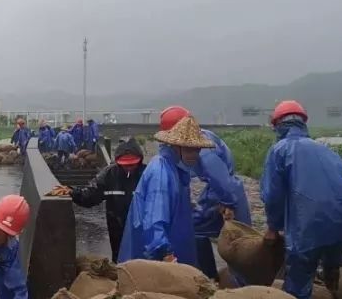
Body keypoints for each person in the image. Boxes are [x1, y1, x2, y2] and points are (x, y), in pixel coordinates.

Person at [260, 100, 342, 299]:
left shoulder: (280, 150)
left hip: (309, 224)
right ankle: (332, 285)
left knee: (298, 282)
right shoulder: (327, 151)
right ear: (303, 123)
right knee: (331, 258)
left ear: (278, 125)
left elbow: (273, 195)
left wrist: (273, 227)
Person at [159, 105, 252, 281]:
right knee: (194, 229)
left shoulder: (201, 146)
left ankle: (244, 289)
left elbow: (220, 179)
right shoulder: (196, 140)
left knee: (239, 244)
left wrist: (229, 204)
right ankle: (209, 277)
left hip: (228, 192)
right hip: (216, 191)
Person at [119, 115, 214, 266]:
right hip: (154, 260)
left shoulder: (178, 170)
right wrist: (166, 254)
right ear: (175, 147)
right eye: (189, 149)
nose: (194, 155)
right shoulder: (161, 173)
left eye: (197, 149)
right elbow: (154, 221)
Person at [67, 137, 146, 261]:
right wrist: (72, 192)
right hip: (117, 227)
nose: (129, 168)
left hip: (141, 228)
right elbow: (90, 196)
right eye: (125, 165)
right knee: (120, 259)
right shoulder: (109, 175)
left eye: (132, 164)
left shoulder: (147, 174)